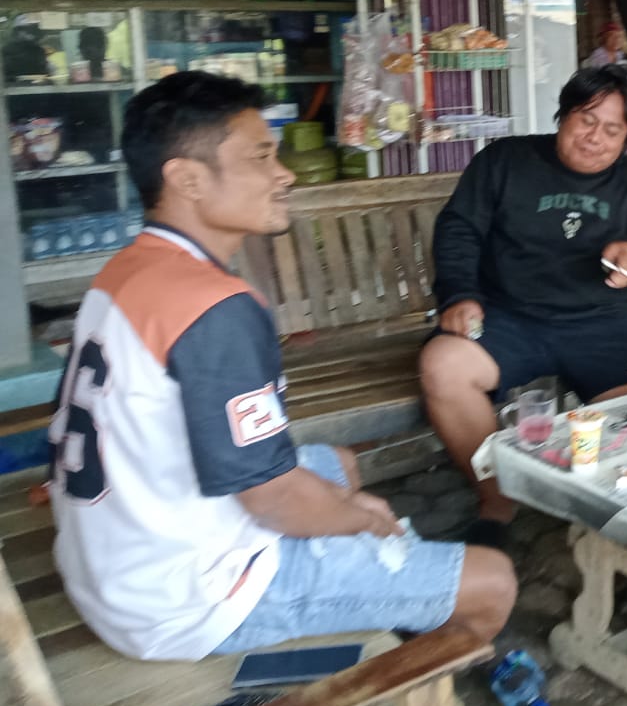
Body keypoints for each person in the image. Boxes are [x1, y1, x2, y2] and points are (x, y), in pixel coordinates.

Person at [47, 71, 513, 661]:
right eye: (261, 156)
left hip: (112, 561)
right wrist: (353, 520)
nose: (284, 173)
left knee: (339, 463)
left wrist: (339, 503)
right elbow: (271, 499)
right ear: (187, 179)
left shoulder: (125, 271)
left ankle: (380, 591)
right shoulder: (213, 308)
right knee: (494, 579)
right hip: (187, 601)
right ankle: (404, 671)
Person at [419, 65, 627, 548]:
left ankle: (621, 513)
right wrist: (458, 295)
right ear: (563, 115)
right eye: (586, 120)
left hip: (602, 326)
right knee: (443, 366)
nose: (595, 138)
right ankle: (496, 500)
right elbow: (459, 230)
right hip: (507, 319)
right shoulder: (505, 161)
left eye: (612, 130)